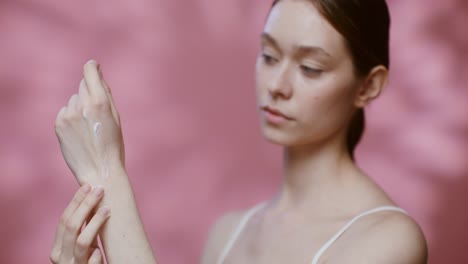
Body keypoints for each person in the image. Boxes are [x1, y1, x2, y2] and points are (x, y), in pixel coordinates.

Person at [50, 0, 428, 263]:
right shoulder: (227, 233)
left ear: (369, 86)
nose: (277, 85)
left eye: (310, 67)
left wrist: (108, 174)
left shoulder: (389, 240)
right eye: (268, 56)